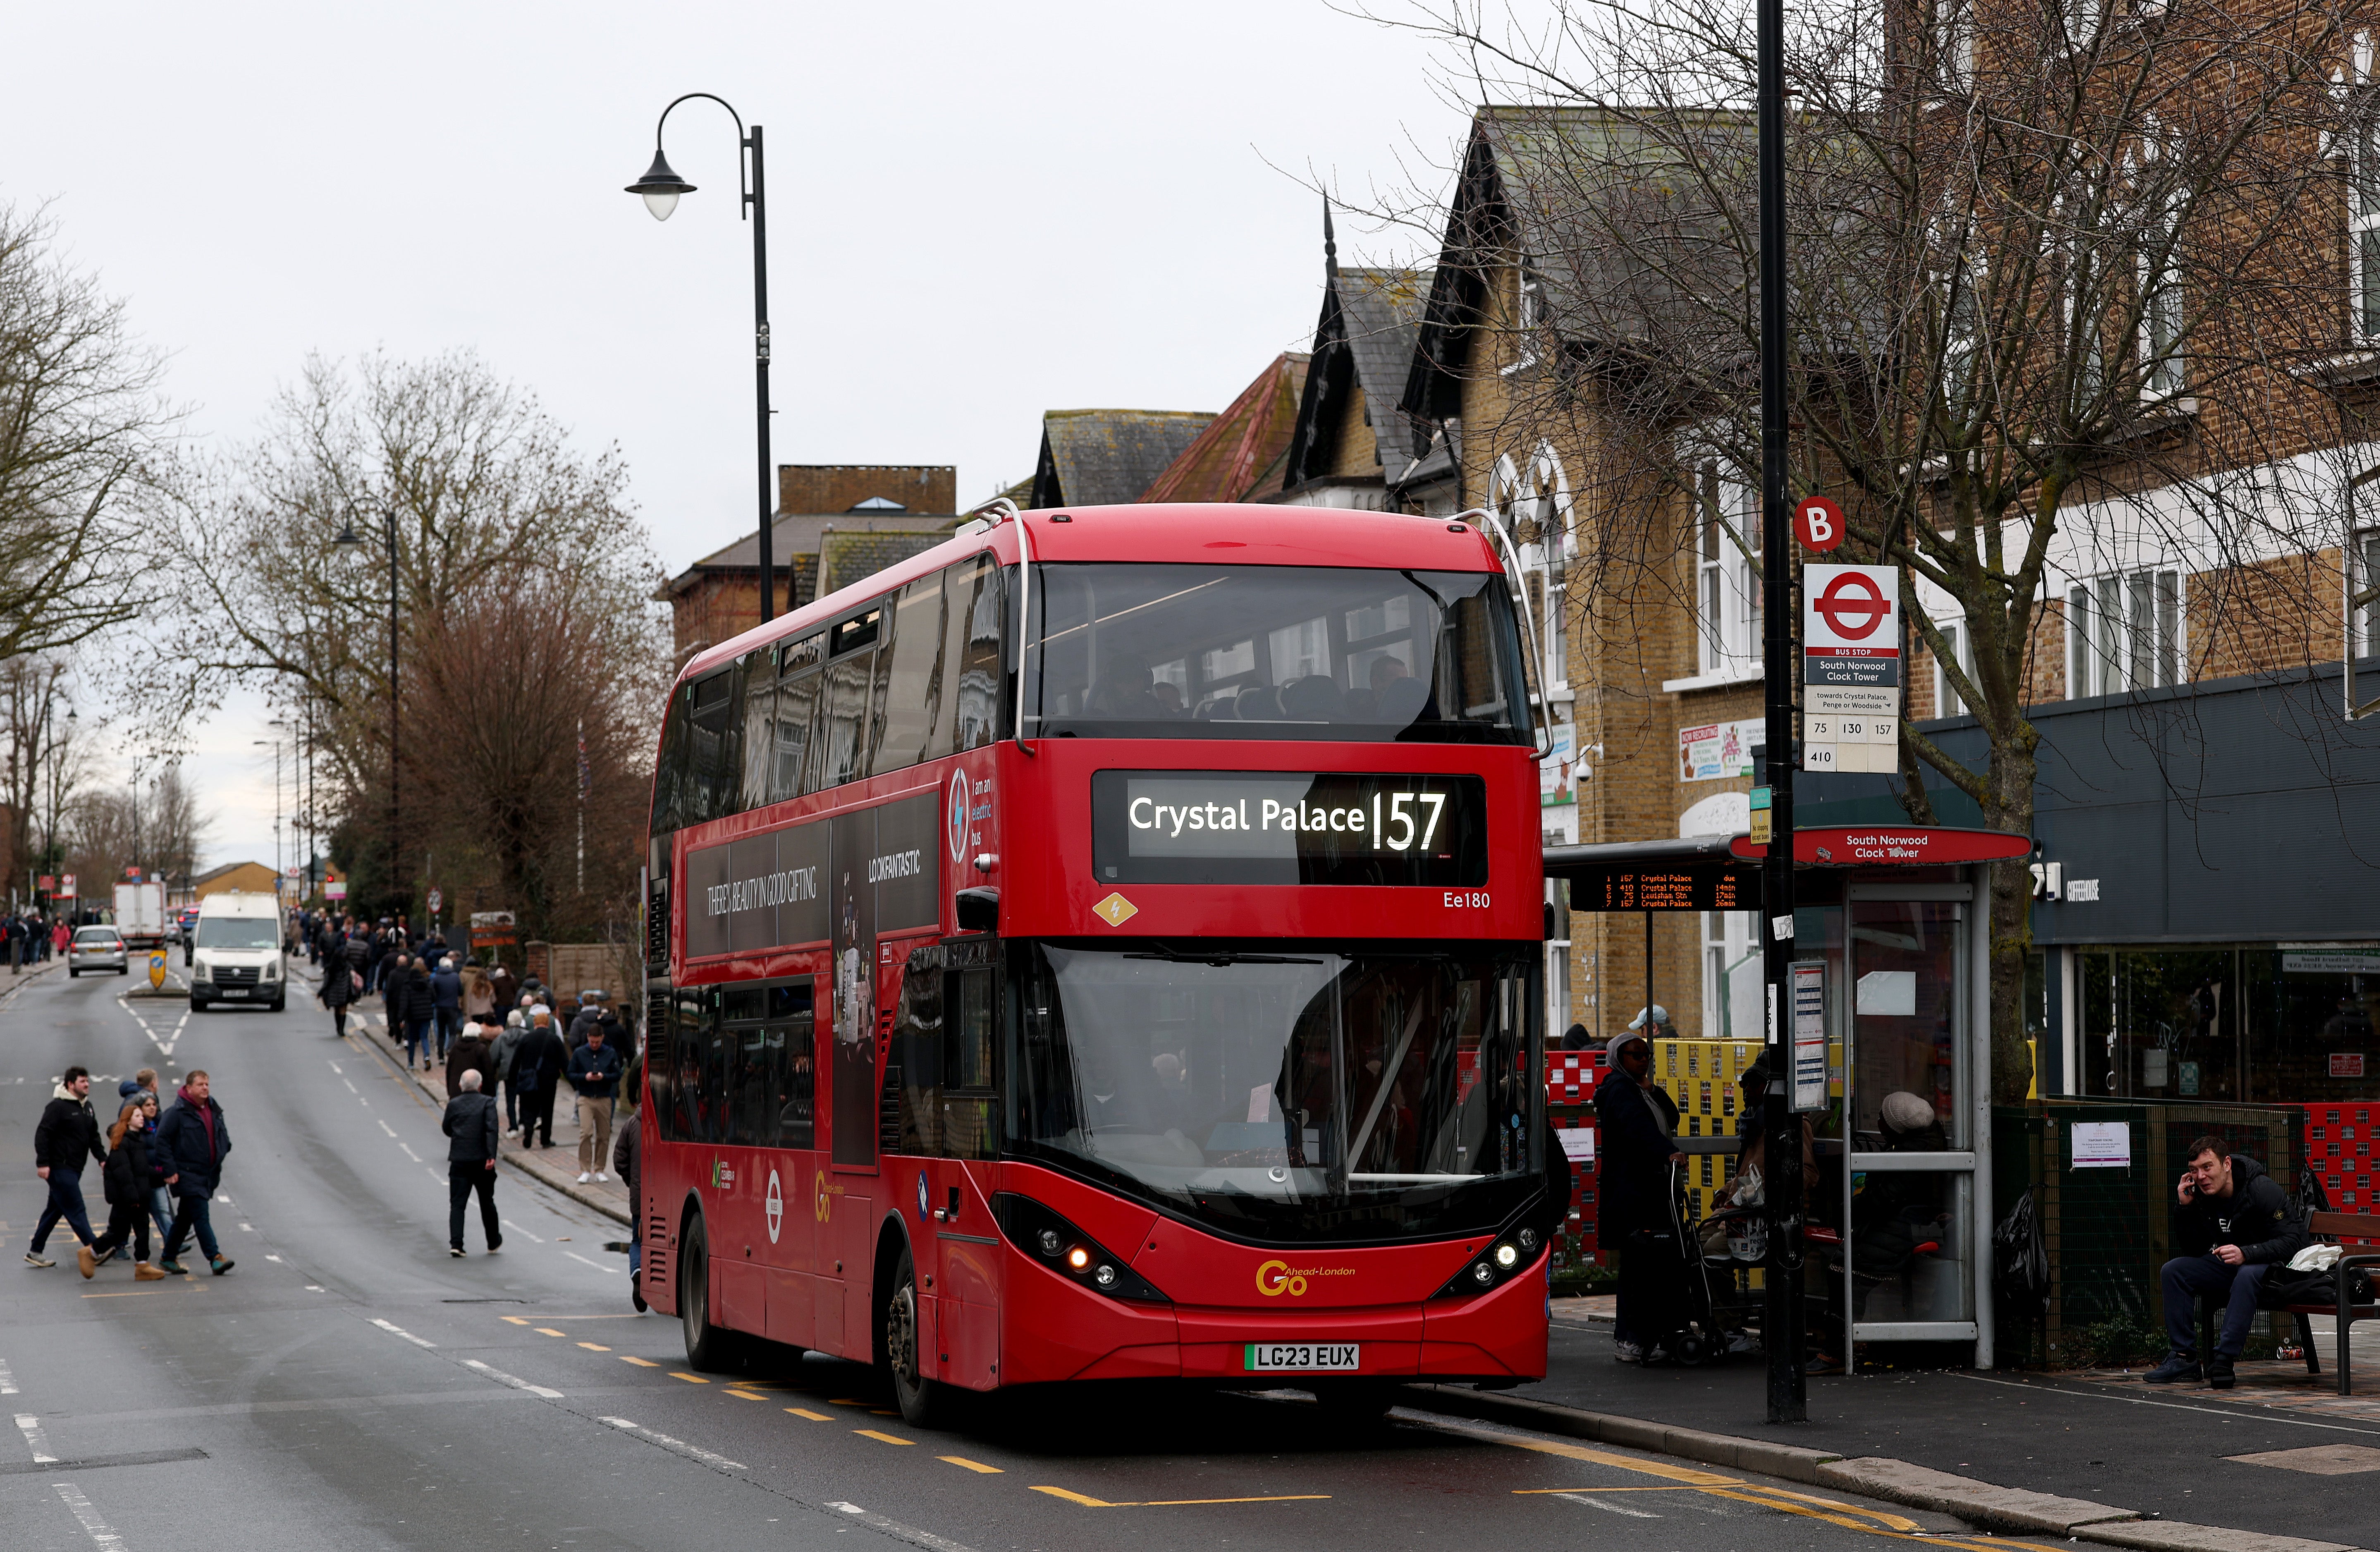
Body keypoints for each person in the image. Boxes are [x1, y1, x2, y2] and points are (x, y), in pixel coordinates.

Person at [2146, 1135, 2310, 1389]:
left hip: (2275, 1271)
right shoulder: (2202, 1196)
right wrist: (2186, 1208)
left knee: (2247, 1273)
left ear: (2227, 1164)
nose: (2200, 1177)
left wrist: (2248, 1253)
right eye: (2194, 1171)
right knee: (2174, 1271)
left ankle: (2224, 1359)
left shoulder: (2261, 1190)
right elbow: (2195, 1250)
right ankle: (2184, 1359)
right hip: (2231, 1268)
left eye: (2207, 1167)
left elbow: (2295, 1241)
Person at [1592, 1028, 1682, 1363]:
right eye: (1636, 1055)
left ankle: (1641, 1336)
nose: (1643, 1060)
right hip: (1636, 1193)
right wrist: (1668, 1151)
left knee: (1644, 1265)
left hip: (1649, 1189)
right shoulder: (1619, 1090)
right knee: (1640, 1265)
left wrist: (1653, 1089)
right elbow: (1638, 1129)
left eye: (1647, 1054)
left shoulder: (1638, 1089)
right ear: (1619, 1058)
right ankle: (1635, 1338)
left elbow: (1672, 1117)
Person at [155, 1070, 234, 1277]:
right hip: (187, 1173)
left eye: (207, 1084)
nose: (206, 1088)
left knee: (184, 1219)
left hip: (207, 1173)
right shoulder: (177, 1113)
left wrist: (225, 1148)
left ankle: (168, 1257)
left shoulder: (213, 1108)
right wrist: (170, 1170)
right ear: (189, 1088)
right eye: (201, 1085)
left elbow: (221, 1133)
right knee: (200, 1215)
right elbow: (162, 1140)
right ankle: (215, 1258)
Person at [29, 1066, 106, 1272]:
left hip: (75, 1167)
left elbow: (94, 1137)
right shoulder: (58, 1107)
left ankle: (35, 1251)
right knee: (75, 1206)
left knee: (55, 1209)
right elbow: (43, 1134)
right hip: (59, 1167)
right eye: (83, 1082)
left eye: (88, 1081)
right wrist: (43, 1163)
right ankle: (95, 1248)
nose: (87, 1085)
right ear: (71, 1085)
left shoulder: (87, 1107)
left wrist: (102, 1159)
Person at [91, 1102, 167, 1281]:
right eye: (138, 1116)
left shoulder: (137, 1140)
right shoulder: (122, 1143)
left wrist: (162, 1176)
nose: (142, 1118)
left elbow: (142, 1170)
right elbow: (123, 1173)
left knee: (143, 1231)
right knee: (117, 1232)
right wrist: (133, 1197)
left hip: (140, 1195)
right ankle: (93, 1251)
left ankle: (143, 1266)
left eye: (142, 1116)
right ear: (128, 1121)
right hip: (127, 1198)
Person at [442, 1067, 502, 1257]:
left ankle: (457, 1244)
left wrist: (459, 1136)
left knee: (458, 1204)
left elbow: (446, 1128)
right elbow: (492, 1130)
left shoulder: (454, 1104)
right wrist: (491, 1155)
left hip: (459, 1160)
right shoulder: (487, 1103)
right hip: (482, 1161)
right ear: (481, 1085)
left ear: (460, 1085)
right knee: (487, 1201)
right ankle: (493, 1241)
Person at [566, 1019, 623, 1184]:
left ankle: (599, 1168)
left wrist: (604, 1077)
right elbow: (570, 1074)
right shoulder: (579, 1053)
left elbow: (617, 1075)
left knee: (604, 1136)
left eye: (597, 1042)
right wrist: (585, 1077)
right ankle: (585, 1169)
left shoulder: (610, 1053)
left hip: (604, 1098)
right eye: (592, 1042)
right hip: (586, 1097)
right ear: (588, 1038)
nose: (595, 1045)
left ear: (602, 1038)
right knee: (586, 1133)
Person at [511, 1006, 566, 1149]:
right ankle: (545, 1140)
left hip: (530, 1080)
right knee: (547, 1110)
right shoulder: (554, 1040)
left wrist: (513, 1079)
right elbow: (564, 1062)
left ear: (534, 1023)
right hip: (549, 1080)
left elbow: (516, 1060)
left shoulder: (526, 1039)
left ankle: (528, 1127)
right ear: (548, 1023)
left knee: (529, 1106)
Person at [613, 1092, 644, 1310]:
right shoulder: (674, 1123)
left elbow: (619, 1160)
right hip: (670, 1198)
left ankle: (637, 1271)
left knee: (638, 1241)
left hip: (640, 1197)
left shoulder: (632, 1124)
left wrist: (632, 1181)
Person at [492, 1006, 529, 1138]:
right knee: (525, 1099)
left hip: (508, 1072)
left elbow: (494, 1057)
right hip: (524, 1072)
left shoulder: (502, 1038)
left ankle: (513, 1126)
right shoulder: (528, 1036)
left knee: (511, 1100)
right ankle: (523, 1122)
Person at [320, 928, 360, 1037]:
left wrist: (321, 992)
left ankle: (338, 1028)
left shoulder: (331, 969)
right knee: (343, 1009)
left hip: (335, 991)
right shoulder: (347, 967)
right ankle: (342, 1029)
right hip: (345, 990)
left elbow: (327, 982)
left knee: (337, 1009)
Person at [446, 1018, 497, 1099]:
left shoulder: (455, 1048)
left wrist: (450, 1090)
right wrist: (491, 1093)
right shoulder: (482, 1049)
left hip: (457, 1091)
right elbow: (488, 1072)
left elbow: (449, 1070)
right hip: (477, 1093)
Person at [430, 954, 463, 1063]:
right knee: (452, 1031)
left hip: (440, 1007)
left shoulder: (436, 977)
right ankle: (450, 1049)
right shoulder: (455, 977)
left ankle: (440, 1057)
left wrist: (436, 1000)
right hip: (452, 1007)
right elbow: (461, 991)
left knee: (441, 1032)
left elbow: (432, 991)